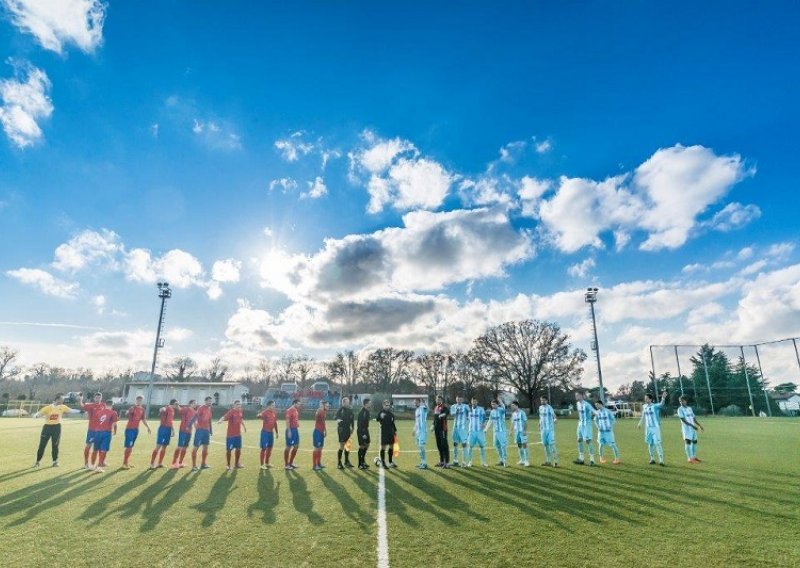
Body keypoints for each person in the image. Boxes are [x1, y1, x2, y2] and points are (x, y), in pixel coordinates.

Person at [32, 393, 81, 468]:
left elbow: (71, 410)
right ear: (57, 399)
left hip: (57, 428)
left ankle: (55, 462)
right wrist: (36, 416)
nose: (63, 400)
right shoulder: (48, 408)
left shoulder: (62, 407)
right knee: (42, 445)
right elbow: (39, 413)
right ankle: (37, 462)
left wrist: (81, 411)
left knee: (55, 445)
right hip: (47, 428)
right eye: (62, 399)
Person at [637, 391, 668, 466]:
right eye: (645, 398)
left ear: (651, 399)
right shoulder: (644, 406)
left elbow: (661, 404)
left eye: (647, 398)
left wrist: (663, 398)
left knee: (657, 443)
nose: (646, 400)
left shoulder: (654, 406)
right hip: (648, 428)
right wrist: (639, 423)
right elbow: (643, 416)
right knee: (650, 443)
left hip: (655, 428)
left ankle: (661, 460)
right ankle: (652, 459)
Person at [89, 399, 119, 473]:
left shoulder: (99, 412)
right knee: (103, 450)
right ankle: (99, 467)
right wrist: (115, 432)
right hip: (106, 433)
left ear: (105, 405)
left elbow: (95, 423)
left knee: (95, 450)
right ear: (112, 405)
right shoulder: (113, 412)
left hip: (97, 432)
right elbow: (114, 424)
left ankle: (92, 466)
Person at [122, 395, 151, 469]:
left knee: (131, 447)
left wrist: (148, 427)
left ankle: (127, 462)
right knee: (129, 447)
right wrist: (128, 411)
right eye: (138, 400)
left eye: (140, 400)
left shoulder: (142, 409)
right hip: (130, 430)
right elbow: (126, 414)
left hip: (136, 430)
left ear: (142, 401)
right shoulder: (132, 408)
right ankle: (124, 464)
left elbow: (143, 419)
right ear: (136, 400)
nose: (139, 401)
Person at [150, 399, 180, 469]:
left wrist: (172, 429)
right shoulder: (167, 408)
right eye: (177, 404)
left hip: (168, 430)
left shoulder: (172, 410)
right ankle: (152, 464)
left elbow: (170, 421)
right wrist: (162, 409)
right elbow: (162, 409)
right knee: (158, 446)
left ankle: (160, 463)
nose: (178, 405)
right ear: (174, 403)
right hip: (163, 429)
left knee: (164, 446)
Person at [219, 400, 247, 471]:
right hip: (231, 435)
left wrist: (244, 426)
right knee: (229, 450)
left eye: (239, 404)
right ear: (234, 405)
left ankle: (237, 464)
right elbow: (224, 416)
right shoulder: (231, 411)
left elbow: (241, 419)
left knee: (238, 449)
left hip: (238, 435)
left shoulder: (240, 411)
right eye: (237, 404)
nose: (239, 406)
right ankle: (228, 465)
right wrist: (221, 420)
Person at [677, 395, 704, 464]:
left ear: (686, 401)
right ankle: (689, 458)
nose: (681, 402)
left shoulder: (689, 408)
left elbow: (693, 418)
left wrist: (699, 425)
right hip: (686, 429)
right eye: (680, 401)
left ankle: (694, 457)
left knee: (694, 442)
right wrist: (692, 426)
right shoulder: (680, 409)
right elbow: (683, 420)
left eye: (682, 400)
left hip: (693, 428)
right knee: (688, 442)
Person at [80, 392, 104, 469]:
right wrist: (80, 400)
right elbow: (83, 406)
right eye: (96, 398)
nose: (98, 399)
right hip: (92, 430)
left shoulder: (103, 405)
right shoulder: (90, 406)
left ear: (101, 398)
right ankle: (86, 463)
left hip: (101, 430)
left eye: (99, 398)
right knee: (88, 446)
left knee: (99, 447)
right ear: (94, 398)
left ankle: (99, 462)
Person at [593, 399, 621, 464]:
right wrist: (598, 427)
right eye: (595, 405)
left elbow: (613, 420)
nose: (596, 406)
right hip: (601, 432)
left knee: (613, 445)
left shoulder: (608, 411)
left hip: (608, 432)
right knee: (600, 445)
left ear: (601, 404)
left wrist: (610, 426)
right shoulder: (597, 412)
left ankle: (617, 458)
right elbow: (595, 420)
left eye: (597, 405)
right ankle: (601, 458)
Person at [171, 400, 197, 469]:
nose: (195, 405)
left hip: (189, 432)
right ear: (190, 404)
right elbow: (180, 409)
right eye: (194, 403)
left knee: (185, 447)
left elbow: (194, 422)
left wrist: (197, 430)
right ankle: (174, 464)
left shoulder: (195, 412)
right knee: (180, 446)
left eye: (195, 404)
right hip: (183, 430)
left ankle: (180, 463)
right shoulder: (186, 409)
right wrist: (177, 405)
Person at [191, 396, 214, 471]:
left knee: (205, 447)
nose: (210, 402)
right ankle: (194, 465)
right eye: (209, 401)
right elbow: (195, 416)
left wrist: (210, 431)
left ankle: (203, 464)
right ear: (205, 401)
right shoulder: (201, 408)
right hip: (200, 430)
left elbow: (209, 420)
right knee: (196, 447)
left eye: (211, 401)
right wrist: (189, 425)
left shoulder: (209, 409)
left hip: (206, 431)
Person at [574, 391, 596, 466]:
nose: (576, 396)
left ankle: (592, 460)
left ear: (582, 395)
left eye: (577, 395)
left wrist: (598, 414)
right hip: (580, 424)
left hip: (587, 425)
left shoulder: (586, 404)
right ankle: (581, 459)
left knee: (588, 441)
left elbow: (593, 411)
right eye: (575, 395)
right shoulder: (577, 404)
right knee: (579, 440)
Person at [256, 400, 279, 469]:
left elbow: (275, 423)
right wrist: (259, 415)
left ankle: (267, 463)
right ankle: (262, 464)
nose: (274, 406)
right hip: (265, 432)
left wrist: (277, 432)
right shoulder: (265, 412)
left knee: (270, 448)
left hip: (271, 433)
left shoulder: (274, 413)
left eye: (274, 405)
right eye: (272, 405)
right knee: (264, 448)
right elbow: (260, 416)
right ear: (269, 406)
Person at [375, 400, 397, 468]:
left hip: (391, 432)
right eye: (386, 405)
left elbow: (392, 423)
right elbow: (377, 419)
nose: (388, 406)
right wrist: (380, 416)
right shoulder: (381, 412)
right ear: (383, 405)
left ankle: (390, 462)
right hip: (384, 432)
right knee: (383, 447)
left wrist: (395, 431)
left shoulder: (391, 414)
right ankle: (383, 463)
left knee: (391, 446)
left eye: (388, 405)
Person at [467, 397, 488, 468]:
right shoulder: (469, 410)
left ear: (477, 402)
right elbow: (468, 420)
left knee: (482, 446)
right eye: (473, 401)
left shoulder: (481, 409)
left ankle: (484, 462)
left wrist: (484, 425)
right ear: (471, 401)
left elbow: (484, 418)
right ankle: (470, 462)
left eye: (475, 401)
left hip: (479, 431)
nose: (474, 402)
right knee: (470, 446)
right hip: (471, 431)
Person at [538, 396, 559, 467]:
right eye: (541, 400)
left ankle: (556, 462)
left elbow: (554, 415)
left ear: (547, 401)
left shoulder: (549, 407)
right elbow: (540, 418)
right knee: (545, 445)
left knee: (552, 445)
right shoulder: (540, 408)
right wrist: (539, 426)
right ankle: (548, 461)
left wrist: (555, 419)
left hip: (550, 430)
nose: (542, 402)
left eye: (544, 400)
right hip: (543, 430)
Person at [335, 396, 355, 469]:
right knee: (342, 446)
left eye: (348, 402)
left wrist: (353, 428)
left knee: (348, 446)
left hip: (348, 430)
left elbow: (352, 420)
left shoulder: (350, 410)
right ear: (343, 402)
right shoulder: (340, 410)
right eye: (347, 402)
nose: (348, 403)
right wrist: (337, 420)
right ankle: (339, 463)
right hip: (341, 430)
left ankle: (346, 462)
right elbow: (335, 417)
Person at [487, 399, 508, 467]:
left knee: (503, 446)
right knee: (496, 445)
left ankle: (505, 461)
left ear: (497, 404)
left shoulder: (500, 410)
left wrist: (501, 402)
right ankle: (501, 460)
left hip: (501, 431)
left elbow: (504, 409)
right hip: (495, 432)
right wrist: (486, 429)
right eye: (492, 404)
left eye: (494, 404)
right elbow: (490, 421)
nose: (493, 405)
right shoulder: (492, 412)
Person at [449, 395, 469, 466]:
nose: (459, 401)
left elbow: (469, 415)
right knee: (455, 444)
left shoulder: (466, 406)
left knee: (464, 444)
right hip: (455, 428)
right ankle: (455, 461)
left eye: (460, 400)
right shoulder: (453, 406)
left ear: (462, 400)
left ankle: (464, 462)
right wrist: (456, 412)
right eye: (458, 399)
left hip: (463, 429)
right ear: (456, 399)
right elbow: (452, 414)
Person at [510, 401, 530, 467]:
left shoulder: (522, 413)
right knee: (519, 445)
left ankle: (527, 461)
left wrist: (524, 430)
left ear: (516, 405)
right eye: (511, 405)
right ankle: (522, 460)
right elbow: (512, 423)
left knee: (524, 445)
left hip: (522, 431)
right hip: (517, 432)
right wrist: (511, 431)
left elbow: (526, 422)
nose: (511, 407)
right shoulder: (513, 414)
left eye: (513, 405)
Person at [432, 395, 450, 468]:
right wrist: (433, 425)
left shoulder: (444, 407)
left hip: (443, 429)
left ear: (442, 400)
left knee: (444, 445)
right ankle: (441, 461)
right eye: (437, 399)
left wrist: (441, 415)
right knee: (439, 445)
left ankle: (447, 463)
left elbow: (447, 412)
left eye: (439, 399)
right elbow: (435, 419)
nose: (438, 401)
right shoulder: (435, 408)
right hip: (436, 429)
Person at [284, 399, 302, 470]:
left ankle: (291, 463)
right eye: (298, 404)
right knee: (288, 447)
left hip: (295, 430)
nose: (299, 405)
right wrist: (289, 431)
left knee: (296, 446)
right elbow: (287, 421)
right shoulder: (289, 410)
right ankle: (286, 465)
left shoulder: (295, 410)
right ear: (294, 403)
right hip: (290, 430)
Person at [312, 401, 329, 471]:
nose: (328, 407)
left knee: (320, 448)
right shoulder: (320, 410)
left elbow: (323, 422)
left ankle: (319, 463)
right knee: (316, 448)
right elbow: (317, 417)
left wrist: (325, 430)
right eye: (327, 406)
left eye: (328, 406)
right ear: (323, 405)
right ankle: (314, 465)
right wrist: (320, 407)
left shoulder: (324, 412)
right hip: (317, 432)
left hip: (321, 432)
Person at [413, 398, 429, 469]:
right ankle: (422, 462)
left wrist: (424, 403)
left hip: (423, 431)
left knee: (422, 447)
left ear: (419, 403)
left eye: (417, 402)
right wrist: (414, 430)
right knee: (420, 447)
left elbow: (428, 409)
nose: (415, 404)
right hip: (418, 432)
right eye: (415, 403)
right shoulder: (416, 411)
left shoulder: (423, 408)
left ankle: (425, 463)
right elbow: (416, 422)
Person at [356, 398, 371, 469]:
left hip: (366, 430)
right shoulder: (362, 412)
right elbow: (359, 424)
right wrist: (363, 434)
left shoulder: (367, 411)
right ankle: (360, 464)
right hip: (361, 431)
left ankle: (363, 461)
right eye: (369, 403)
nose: (370, 404)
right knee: (362, 446)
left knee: (367, 444)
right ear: (366, 404)